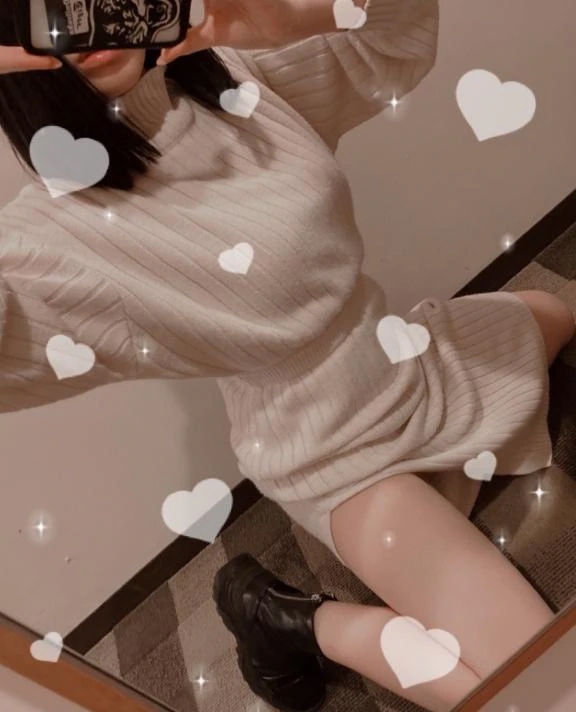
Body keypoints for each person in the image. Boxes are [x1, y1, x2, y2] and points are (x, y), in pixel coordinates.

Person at [0, 1, 573, 711]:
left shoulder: (241, 78)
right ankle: (287, 617)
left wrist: (299, 19)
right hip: (332, 455)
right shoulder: (51, 247)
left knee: (557, 313)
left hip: (408, 361)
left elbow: (396, 39)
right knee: (538, 689)